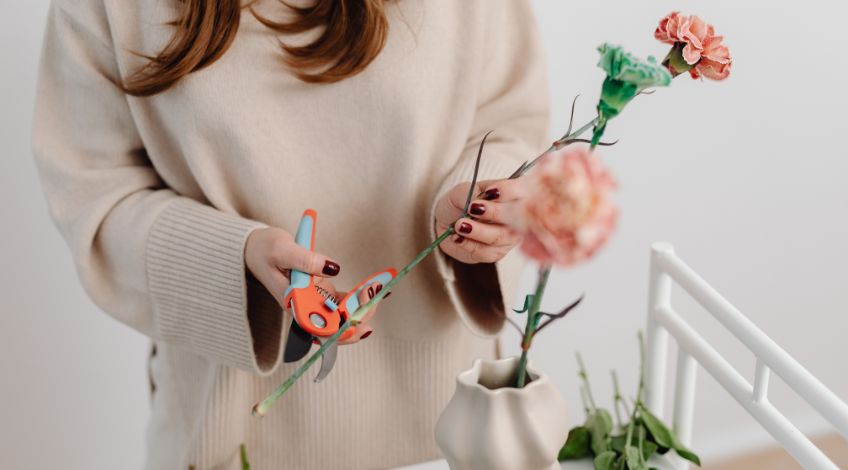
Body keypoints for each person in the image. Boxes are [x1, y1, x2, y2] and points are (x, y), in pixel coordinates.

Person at [32, 0, 548, 468]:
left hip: (451, 425)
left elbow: (511, 121)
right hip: (226, 430)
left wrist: (482, 203)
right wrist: (234, 259)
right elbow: (95, 196)